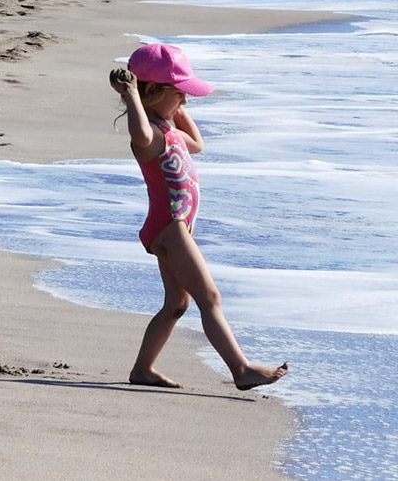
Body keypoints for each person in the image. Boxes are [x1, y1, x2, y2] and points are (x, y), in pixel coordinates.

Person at [110, 43, 288, 391]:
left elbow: (197, 143)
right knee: (210, 298)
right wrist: (132, 95)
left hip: (176, 228)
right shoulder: (150, 137)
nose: (186, 102)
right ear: (151, 90)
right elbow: (139, 132)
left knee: (177, 304)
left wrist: (173, 106)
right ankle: (241, 369)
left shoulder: (169, 130)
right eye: (179, 94)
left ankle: (143, 370)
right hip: (170, 229)